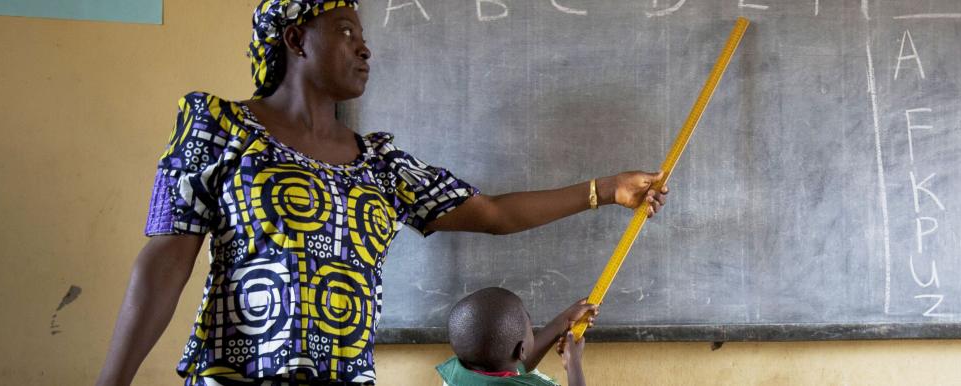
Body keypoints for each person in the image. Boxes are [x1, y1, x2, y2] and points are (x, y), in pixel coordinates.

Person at [95, 1, 666, 385]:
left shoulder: (381, 161)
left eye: (364, 38)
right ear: (296, 39)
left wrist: (607, 189)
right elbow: (163, 263)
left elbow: (493, 213)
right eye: (346, 33)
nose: (364, 50)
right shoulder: (215, 126)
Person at [437, 288, 595, 386]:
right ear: (521, 350)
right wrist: (573, 364)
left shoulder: (456, 377)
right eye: (528, 322)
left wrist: (564, 320)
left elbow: (514, 364)